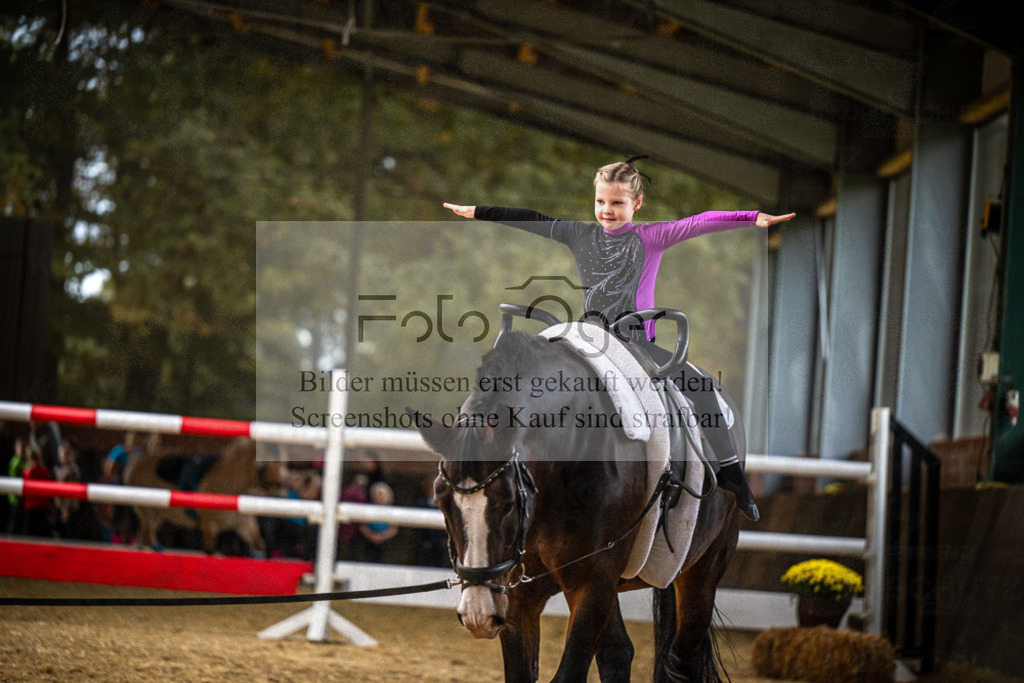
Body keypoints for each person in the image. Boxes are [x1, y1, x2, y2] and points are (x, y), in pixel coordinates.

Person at [443, 160, 795, 521]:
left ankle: (731, 471)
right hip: (592, 339)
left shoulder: (651, 236)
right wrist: (479, 212)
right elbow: (530, 218)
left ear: (636, 204)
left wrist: (751, 218)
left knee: (703, 388)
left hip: (638, 342)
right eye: (600, 202)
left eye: (616, 203)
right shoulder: (579, 234)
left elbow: (699, 221)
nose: (606, 211)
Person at [359, 481, 398, 563]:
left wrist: (382, 537)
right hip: (368, 540)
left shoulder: (391, 510)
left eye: (381, 494)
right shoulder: (368, 508)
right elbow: (362, 525)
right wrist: (371, 536)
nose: (378, 496)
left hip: (385, 541)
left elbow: (394, 528)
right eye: (376, 493)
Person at [22, 444, 54, 538]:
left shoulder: (27, 473)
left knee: (30, 534)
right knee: (42, 534)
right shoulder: (44, 471)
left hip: (31, 507)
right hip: (42, 507)